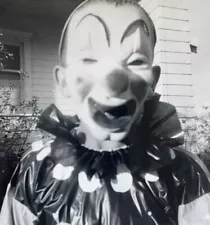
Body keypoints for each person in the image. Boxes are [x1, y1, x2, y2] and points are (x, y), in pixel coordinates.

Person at [1, 0, 210, 224]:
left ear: (153, 81)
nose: (114, 81)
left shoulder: (183, 172)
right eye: (89, 59)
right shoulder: (36, 169)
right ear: (64, 81)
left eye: (136, 61)